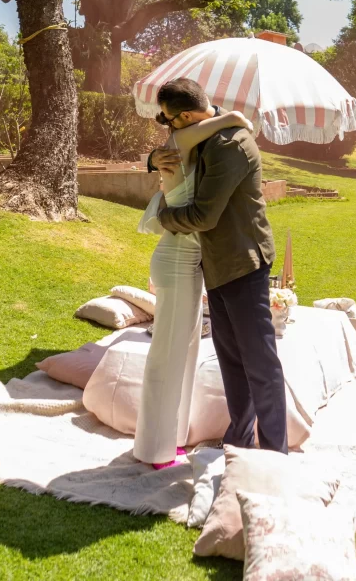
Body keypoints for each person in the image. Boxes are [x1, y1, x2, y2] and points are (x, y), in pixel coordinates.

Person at [151, 78, 288, 455]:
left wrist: (164, 216)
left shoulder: (229, 145)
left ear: (189, 115)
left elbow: (204, 215)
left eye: (169, 120)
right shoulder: (203, 136)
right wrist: (152, 159)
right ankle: (240, 438)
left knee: (259, 362)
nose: (167, 127)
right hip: (218, 262)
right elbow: (173, 148)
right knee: (231, 359)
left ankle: (276, 453)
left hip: (241, 262)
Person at [134, 95, 252, 469]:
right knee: (166, 357)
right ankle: (153, 449)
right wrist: (232, 116)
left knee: (186, 354)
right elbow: (225, 119)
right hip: (175, 260)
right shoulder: (178, 141)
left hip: (191, 263)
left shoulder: (189, 141)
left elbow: (210, 123)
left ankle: (174, 438)